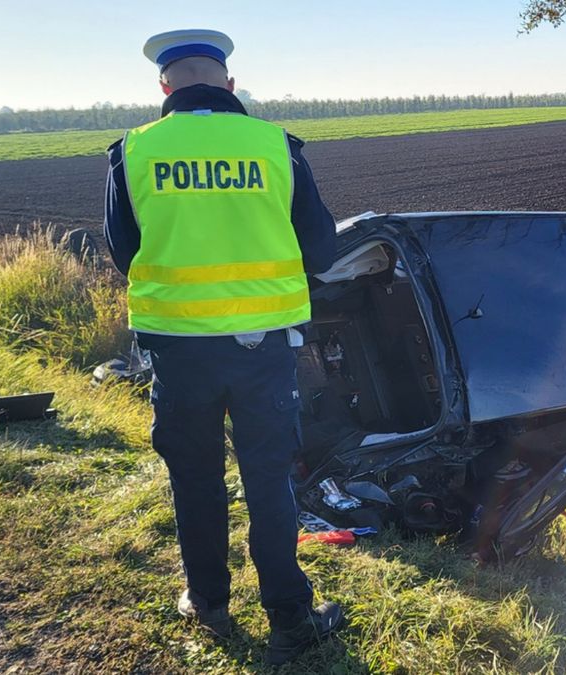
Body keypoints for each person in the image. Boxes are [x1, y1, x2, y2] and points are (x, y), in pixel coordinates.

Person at [102, 28, 343, 665]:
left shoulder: (132, 152)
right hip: (264, 346)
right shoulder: (276, 146)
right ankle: (290, 618)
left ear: (164, 87)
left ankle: (208, 603)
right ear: (230, 85)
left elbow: (124, 253)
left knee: (195, 477)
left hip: (179, 349)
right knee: (269, 478)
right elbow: (321, 248)